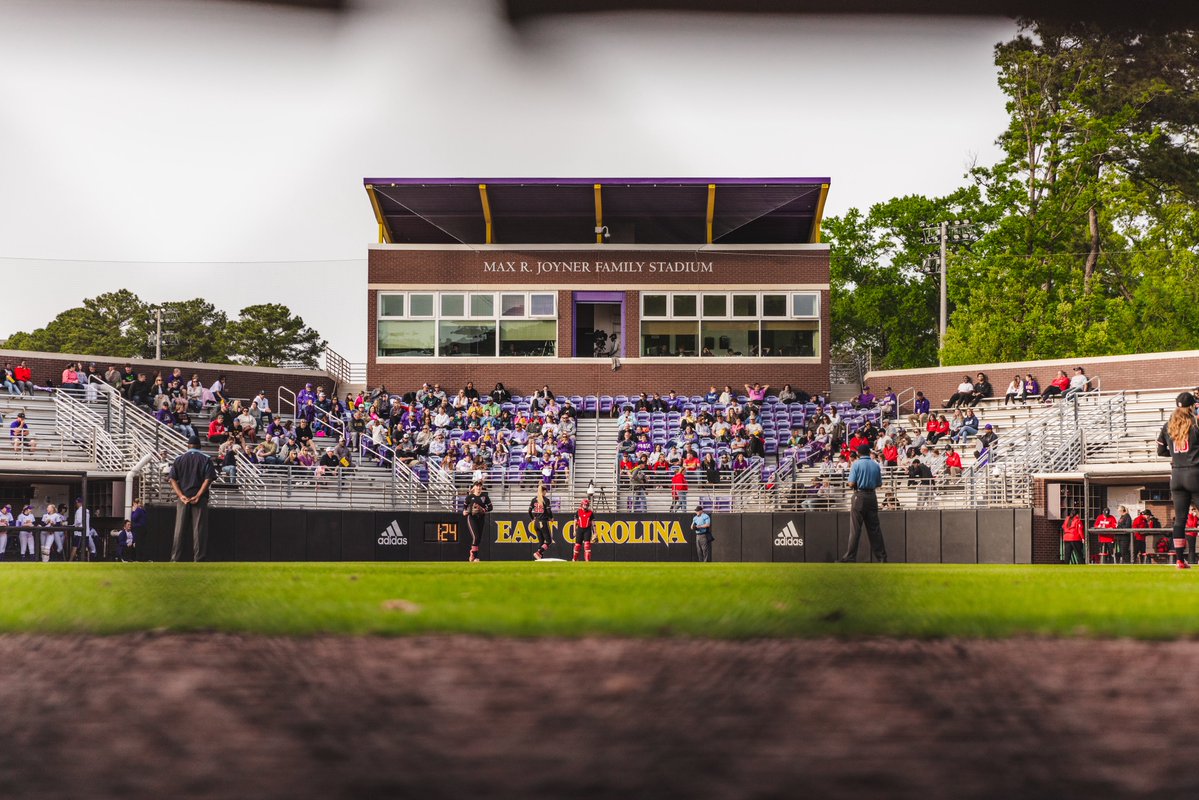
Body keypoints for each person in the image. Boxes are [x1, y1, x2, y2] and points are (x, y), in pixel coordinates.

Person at [1156, 391, 1199, 568]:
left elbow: (1160, 451)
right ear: (1192, 406)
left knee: (1180, 521)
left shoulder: (1167, 426)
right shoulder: (1196, 424)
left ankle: (1180, 560)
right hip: (1195, 473)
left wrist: (1175, 454)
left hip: (1177, 475)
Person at [168, 435, 218, 562]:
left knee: (179, 530)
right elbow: (208, 479)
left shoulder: (179, 459)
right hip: (199, 499)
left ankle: (175, 559)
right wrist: (198, 495)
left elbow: (172, 479)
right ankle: (199, 559)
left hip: (183, 498)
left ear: (188, 446)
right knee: (199, 530)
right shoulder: (205, 459)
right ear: (199, 446)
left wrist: (181, 496)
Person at [840, 444, 887, 562]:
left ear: (859, 454)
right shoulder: (875, 465)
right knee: (875, 530)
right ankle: (882, 558)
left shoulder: (856, 464)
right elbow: (879, 484)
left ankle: (850, 557)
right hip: (872, 496)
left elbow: (851, 483)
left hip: (859, 496)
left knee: (855, 530)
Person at [461, 480, 492, 563]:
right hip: (472, 518)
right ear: (474, 487)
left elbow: (491, 507)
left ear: (481, 487)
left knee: (478, 539)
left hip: (481, 518)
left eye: (480, 486)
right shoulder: (470, 497)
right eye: (477, 486)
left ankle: (473, 553)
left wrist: (483, 509)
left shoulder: (484, 497)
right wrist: (464, 511)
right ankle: (474, 556)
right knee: (476, 537)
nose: (478, 487)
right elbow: (464, 506)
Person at [529, 483, 554, 560]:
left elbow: (529, 511)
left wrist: (533, 518)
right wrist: (551, 517)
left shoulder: (534, 500)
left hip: (536, 522)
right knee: (549, 541)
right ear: (543, 491)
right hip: (543, 522)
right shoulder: (545, 500)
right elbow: (549, 511)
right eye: (545, 491)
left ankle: (540, 558)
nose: (546, 492)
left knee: (541, 541)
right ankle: (539, 553)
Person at [572, 497, 595, 562]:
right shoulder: (578, 511)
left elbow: (593, 523)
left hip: (587, 530)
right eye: (584, 505)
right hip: (580, 530)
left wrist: (595, 532)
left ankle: (587, 560)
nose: (586, 506)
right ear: (582, 505)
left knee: (587, 545)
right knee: (577, 546)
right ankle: (574, 559)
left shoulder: (590, 512)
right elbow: (575, 521)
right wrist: (574, 530)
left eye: (587, 505)